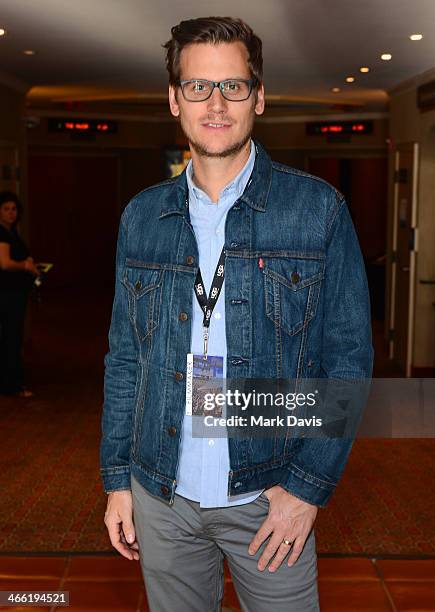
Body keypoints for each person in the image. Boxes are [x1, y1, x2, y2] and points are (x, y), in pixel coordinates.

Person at [101, 16, 373, 611]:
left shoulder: (318, 211)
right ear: (175, 99)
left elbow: (348, 361)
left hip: (269, 492)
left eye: (234, 86)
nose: (217, 104)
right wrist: (118, 480)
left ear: (260, 97)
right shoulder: (142, 218)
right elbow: (126, 359)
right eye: (199, 87)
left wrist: (306, 489)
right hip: (161, 494)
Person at [0, 191, 39, 397]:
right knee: (11, 338)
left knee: (12, 337)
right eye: (6, 209)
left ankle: (10, 382)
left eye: (14, 209)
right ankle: (11, 384)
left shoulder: (12, 232)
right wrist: (24, 265)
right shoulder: (3, 234)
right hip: (7, 295)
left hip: (15, 293)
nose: (11, 213)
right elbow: (4, 263)